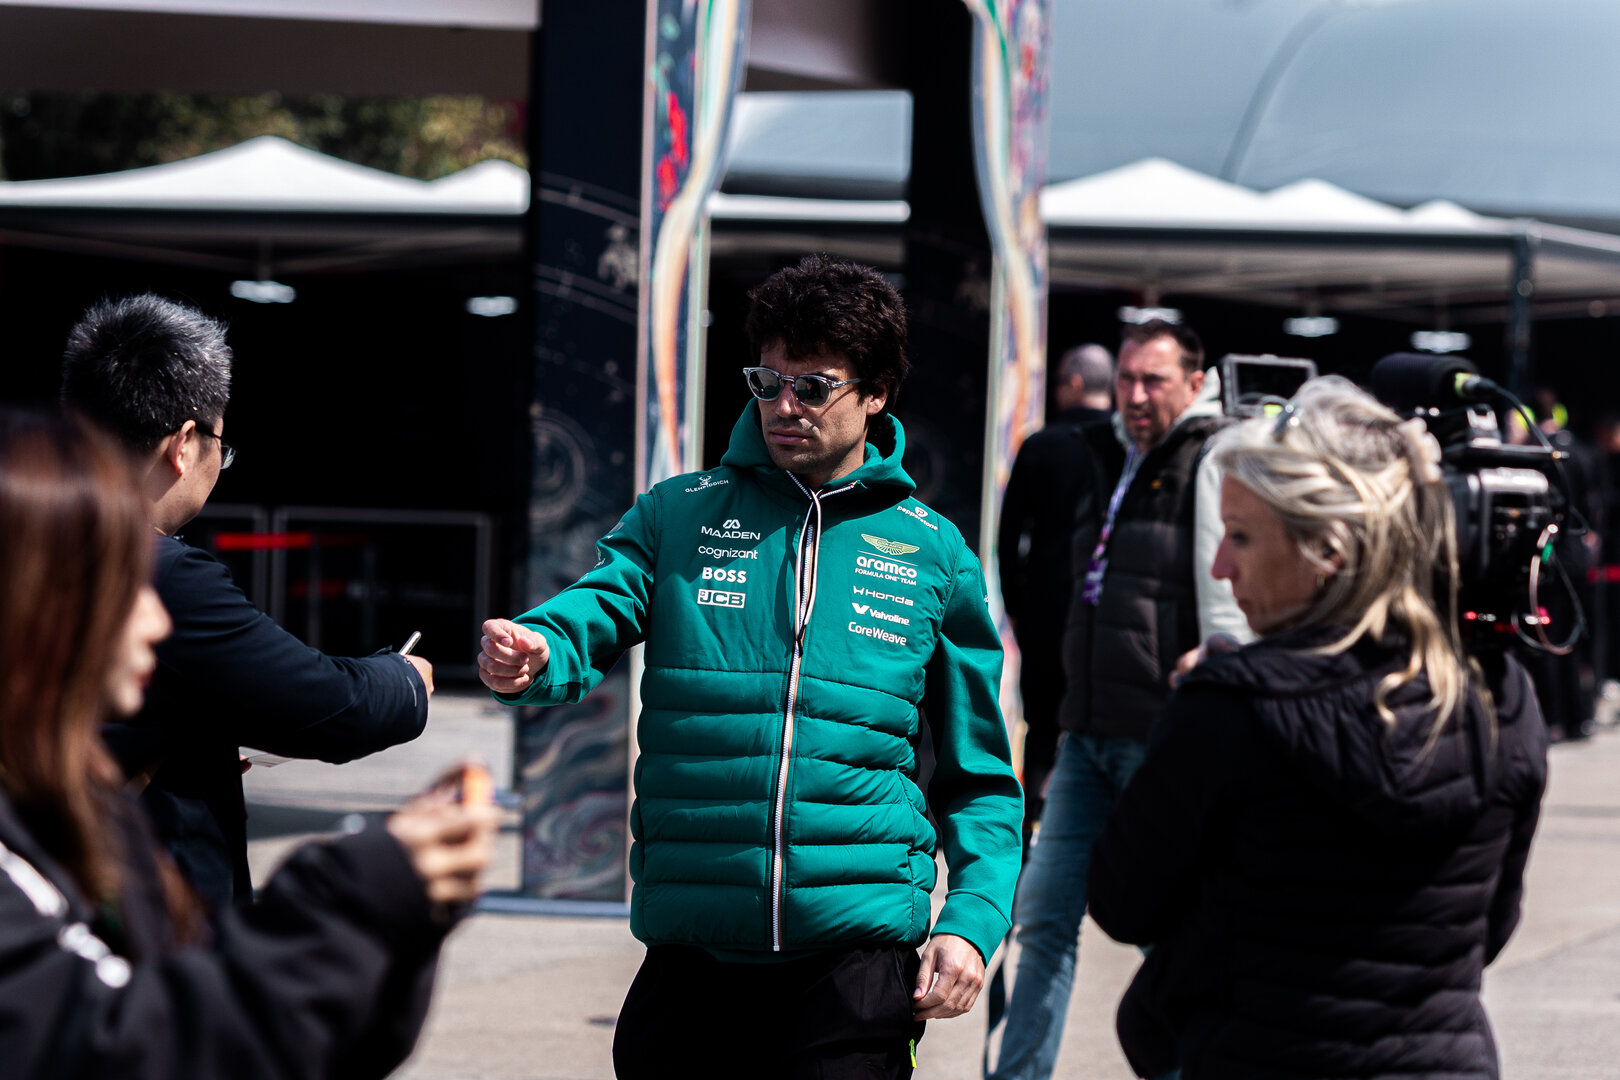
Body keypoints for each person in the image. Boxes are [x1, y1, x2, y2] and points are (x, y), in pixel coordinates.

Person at [477, 254, 1023, 1079]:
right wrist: (540, 650)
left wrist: (972, 920)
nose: (784, 406)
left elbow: (979, 777)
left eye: (814, 386)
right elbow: (598, 603)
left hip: (855, 960)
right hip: (694, 952)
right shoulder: (680, 512)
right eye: (767, 382)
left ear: (876, 394)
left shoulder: (933, 553)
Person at [0, 407, 498, 1079]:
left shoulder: (85, 814)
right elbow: (130, 1043)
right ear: (34, 604)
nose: (157, 620)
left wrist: (403, 917)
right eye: (123, 585)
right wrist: (349, 894)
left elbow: (266, 1037)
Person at [1086, 376, 1548, 1079]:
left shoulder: (1231, 707)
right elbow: (1488, 928)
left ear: (1328, 549)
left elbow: (1124, 902)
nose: (1220, 565)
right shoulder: (1499, 691)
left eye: (1241, 536)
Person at [60, 294, 434, 912]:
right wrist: (406, 678)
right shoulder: (163, 574)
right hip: (141, 916)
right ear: (184, 444)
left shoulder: (28, 546)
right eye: (220, 444)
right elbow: (329, 706)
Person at [989, 319, 1248, 1080]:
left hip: (1158, 738)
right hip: (1085, 734)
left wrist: (1220, 657)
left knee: (1160, 928)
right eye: (1127, 378)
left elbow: (1228, 589)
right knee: (1042, 918)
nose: (1134, 395)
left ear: (1194, 384)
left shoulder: (1213, 456)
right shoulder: (1109, 457)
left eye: (1153, 380)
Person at [996, 343, 1113, 833]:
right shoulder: (1125, 447)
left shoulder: (1040, 445)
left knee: (1042, 728)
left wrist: (1015, 604)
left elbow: (1009, 535)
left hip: (1045, 611)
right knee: (1103, 728)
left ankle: (1029, 836)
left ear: (1073, 384)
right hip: (1106, 613)